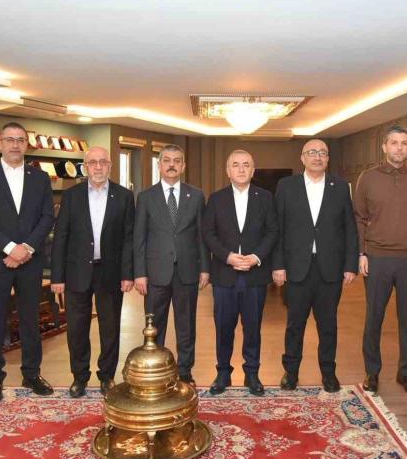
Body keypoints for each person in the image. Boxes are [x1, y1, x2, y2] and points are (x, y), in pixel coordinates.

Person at [0, 121, 55, 403]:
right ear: (0, 143)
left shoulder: (40, 178)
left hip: (30, 260)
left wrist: (26, 248)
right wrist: (9, 248)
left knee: (31, 320)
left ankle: (32, 374)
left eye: (20, 140)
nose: (15, 145)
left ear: (26, 144)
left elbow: (47, 217)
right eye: (10, 139)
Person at [355, 125, 407, 396]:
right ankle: (372, 372)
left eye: (404, 143)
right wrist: (360, 253)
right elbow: (358, 218)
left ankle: (406, 374)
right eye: (394, 143)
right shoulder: (368, 178)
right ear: (384, 147)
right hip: (377, 258)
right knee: (373, 318)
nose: (399, 148)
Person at [271, 139, 358, 393]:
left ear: (328, 158)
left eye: (322, 153)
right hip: (296, 268)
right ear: (302, 158)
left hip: (330, 269)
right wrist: (278, 264)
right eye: (312, 152)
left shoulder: (340, 187)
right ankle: (291, 372)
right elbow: (278, 228)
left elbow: (349, 229)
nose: (317, 157)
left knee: (328, 326)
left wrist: (350, 265)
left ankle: (328, 373)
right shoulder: (287, 186)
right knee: (294, 325)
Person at [50, 146, 135, 398]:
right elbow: (61, 237)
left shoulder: (124, 196)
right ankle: (79, 376)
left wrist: (127, 274)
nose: (98, 167)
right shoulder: (72, 196)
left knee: (110, 328)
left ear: (110, 165)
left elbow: (129, 239)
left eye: (103, 162)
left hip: (110, 272)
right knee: (77, 328)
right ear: (85, 167)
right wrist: (57, 277)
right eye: (93, 162)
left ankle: (107, 376)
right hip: (77, 271)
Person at [202, 150, 278, 396]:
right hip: (225, 275)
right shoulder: (216, 199)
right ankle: (223, 373)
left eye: (246, 165)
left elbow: (272, 231)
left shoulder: (265, 198)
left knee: (253, 327)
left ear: (253, 170)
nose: (241, 169)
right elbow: (208, 233)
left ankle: (252, 373)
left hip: (255, 275)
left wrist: (256, 257)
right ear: (228, 171)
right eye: (236, 165)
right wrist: (228, 256)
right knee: (224, 327)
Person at [134, 144, 209, 385]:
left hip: (187, 271)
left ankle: (185, 371)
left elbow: (202, 236)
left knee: (186, 325)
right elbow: (139, 238)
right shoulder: (146, 197)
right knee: (154, 325)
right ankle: (156, 369)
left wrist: (205, 268)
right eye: (167, 160)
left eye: (177, 160)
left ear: (183, 166)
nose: (172, 165)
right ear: (159, 165)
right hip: (155, 273)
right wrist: (139, 273)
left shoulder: (196, 196)